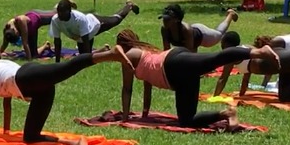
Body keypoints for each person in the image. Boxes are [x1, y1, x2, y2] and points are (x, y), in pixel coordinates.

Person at [0, 43, 133, 145]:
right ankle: (74, 143)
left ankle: (111, 54)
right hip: (39, 89)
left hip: (28, 77)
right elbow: (7, 103)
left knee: (66, 67)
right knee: (30, 137)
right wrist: (7, 131)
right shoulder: (2, 67)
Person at [114, 29, 280, 129]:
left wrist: (125, 117)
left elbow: (127, 88)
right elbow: (147, 84)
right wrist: (144, 113)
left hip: (173, 66)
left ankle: (258, 52)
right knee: (187, 120)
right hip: (178, 75)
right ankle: (227, 113)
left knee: (214, 59)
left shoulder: (129, 55)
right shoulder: (141, 53)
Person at [49, 0, 137, 62]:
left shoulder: (79, 18)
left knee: (116, 19)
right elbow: (57, 41)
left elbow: (86, 40)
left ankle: (129, 6)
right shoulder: (55, 20)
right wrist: (57, 62)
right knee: (83, 57)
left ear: (69, 11)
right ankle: (104, 50)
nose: (60, 15)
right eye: (59, 12)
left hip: (95, 24)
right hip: (81, 37)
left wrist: (88, 60)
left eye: (63, 12)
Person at [159, 4, 239, 52]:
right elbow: (166, 50)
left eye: (167, 19)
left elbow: (190, 53)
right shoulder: (164, 29)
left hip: (203, 35)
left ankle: (230, 15)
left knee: (219, 34)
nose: (164, 21)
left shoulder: (186, 30)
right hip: (194, 33)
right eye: (164, 18)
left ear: (176, 20)